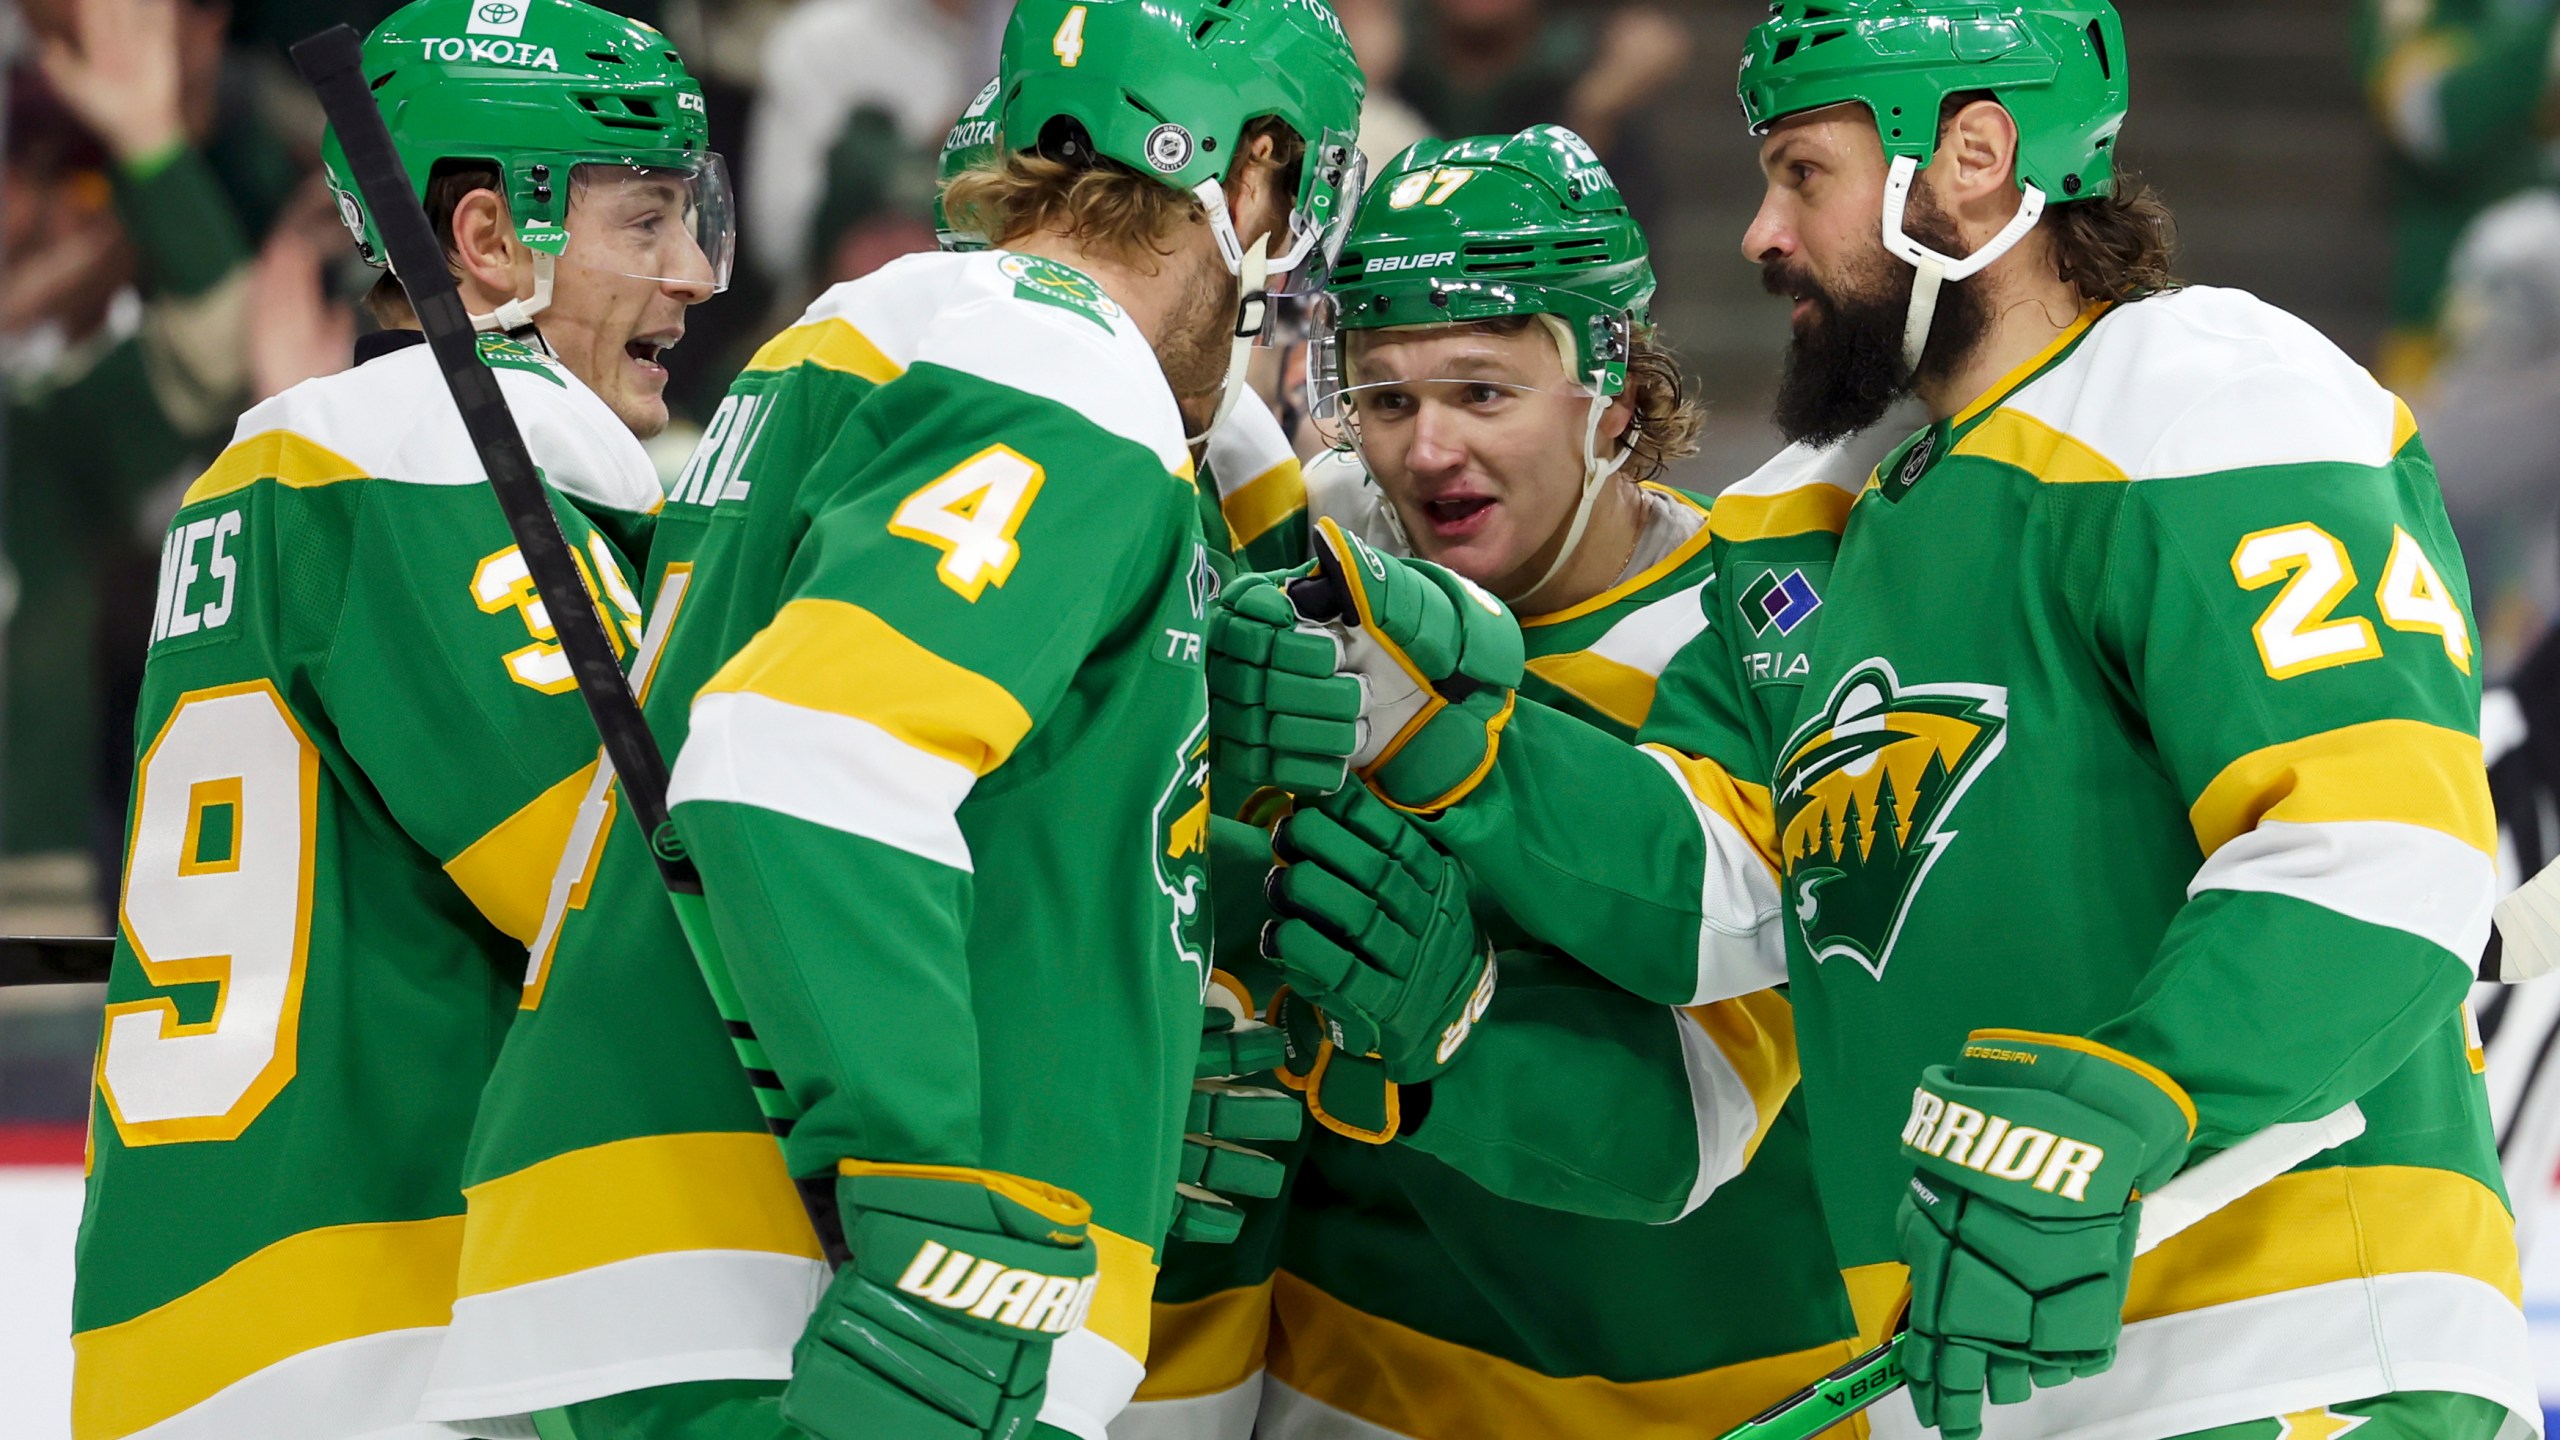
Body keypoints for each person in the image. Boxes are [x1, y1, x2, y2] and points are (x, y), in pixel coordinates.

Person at [1208, 3, 2537, 1437]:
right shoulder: (1807, 524)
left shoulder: (2216, 396)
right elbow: (1719, 897)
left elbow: (2382, 851)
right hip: (1960, 1389)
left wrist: (2144, 1092)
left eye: (1804, 174)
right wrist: (1443, 733)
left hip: (2294, 1362)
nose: (1761, 235)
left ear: (1968, 160)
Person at [414, 5, 1363, 1439]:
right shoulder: (1064, 367)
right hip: (808, 1314)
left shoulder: (873, 336)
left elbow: (923, 804)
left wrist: (1122, 1057)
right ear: (1247, 176)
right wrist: (931, 1201)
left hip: (658, 1261)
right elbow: (800, 766)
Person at [1128, 124, 1875, 1440]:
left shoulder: (1760, 637)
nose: (1426, 453)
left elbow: (1688, 1128)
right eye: (1390, 397)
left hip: (1706, 1401)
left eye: (1483, 393)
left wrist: (1456, 1026)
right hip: (1342, 1386)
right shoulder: (1319, 563)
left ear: (1617, 393)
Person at [66, 2, 727, 1437]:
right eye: (649, 220)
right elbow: (625, 899)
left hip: (227, 1312)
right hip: (369, 1333)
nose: (692, 275)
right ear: (488, 242)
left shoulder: (312, 463)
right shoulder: (426, 454)